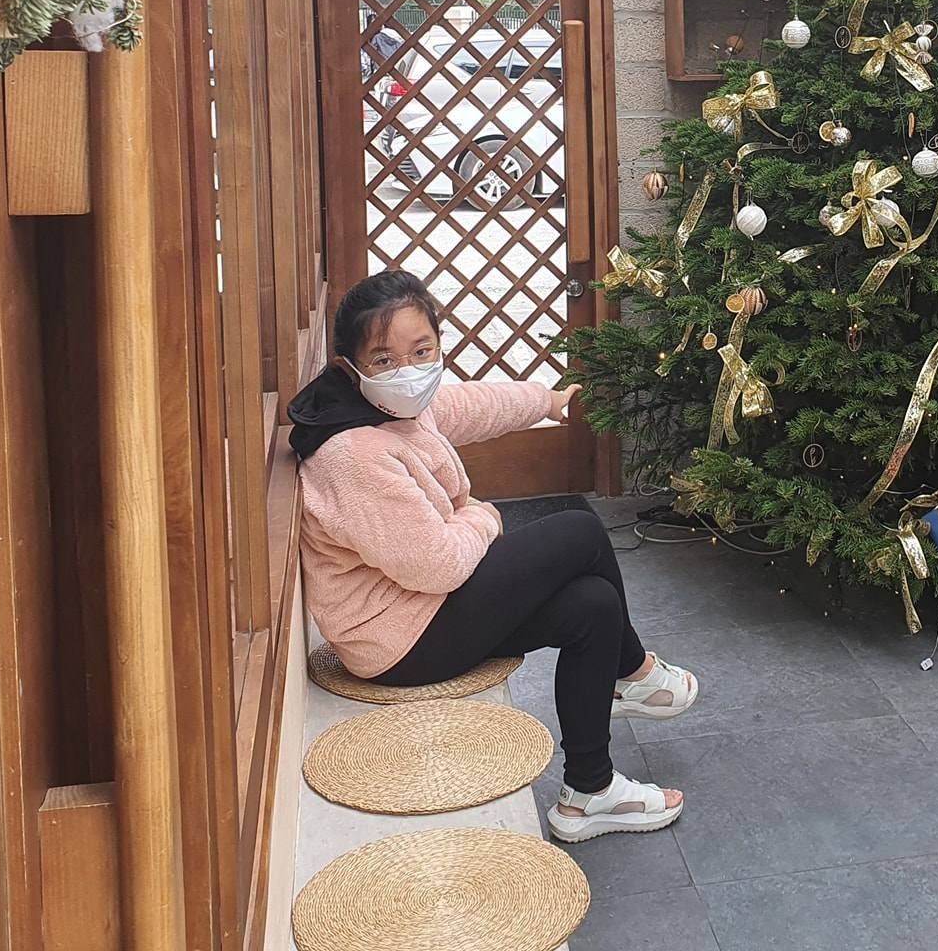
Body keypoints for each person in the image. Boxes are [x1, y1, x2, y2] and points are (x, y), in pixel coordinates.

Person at [289, 270, 695, 842]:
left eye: (421, 351)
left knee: (592, 604)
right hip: (398, 641)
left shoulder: (387, 408)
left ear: (438, 344)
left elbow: (469, 405)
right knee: (580, 531)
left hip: (423, 609)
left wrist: (547, 400)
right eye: (383, 359)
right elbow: (440, 564)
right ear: (348, 368)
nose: (407, 370)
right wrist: (483, 515)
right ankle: (632, 673)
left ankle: (589, 792)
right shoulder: (353, 454)